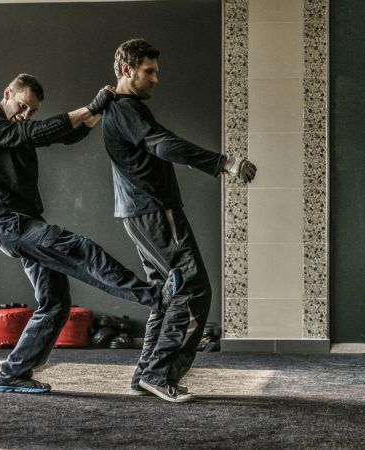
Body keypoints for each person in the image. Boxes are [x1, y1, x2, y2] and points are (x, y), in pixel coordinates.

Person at [0, 74, 179, 394]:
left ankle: (12, 374)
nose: (26, 114)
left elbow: (63, 136)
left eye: (32, 111)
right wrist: (90, 107)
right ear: (7, 93)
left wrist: (96, 114)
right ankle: (154, 296)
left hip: (24, 223)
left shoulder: (12, 127)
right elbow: (36, 132)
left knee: (55, 303)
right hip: (11, 225)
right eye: (22, 106)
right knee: (81, 249)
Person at [102, 38, 257, 403]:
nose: (156, 79)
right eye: (149, 71)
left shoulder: (123, 108)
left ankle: (145, 375)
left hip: (139, 211)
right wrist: (224, 163)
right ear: (126, 70)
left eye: (156, 71)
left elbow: (160, 144)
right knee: (194, 288)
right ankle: (159, 374)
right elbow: (163, 144)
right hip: (156, 211)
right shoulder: (125, 109)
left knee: (165, 293)